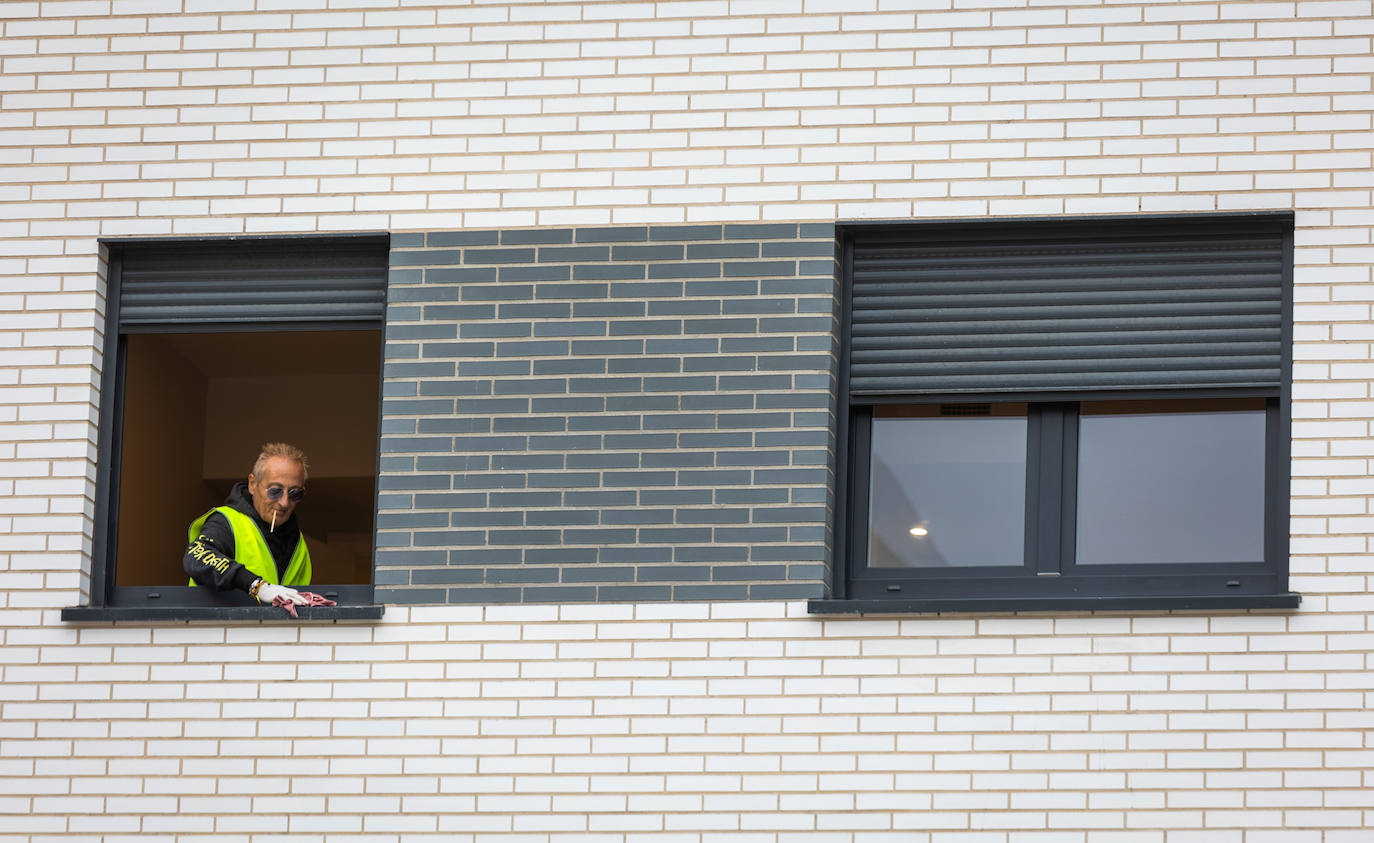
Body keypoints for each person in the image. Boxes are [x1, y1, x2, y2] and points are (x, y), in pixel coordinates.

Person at [184, 442, 312, 608]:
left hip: (274, 632)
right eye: (275, 491)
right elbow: (196, 556)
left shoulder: (298, 542)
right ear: (253, 484)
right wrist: (256, 586)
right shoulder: (227, 521)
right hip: (218, 630)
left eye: (295, 493)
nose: (284, 502)